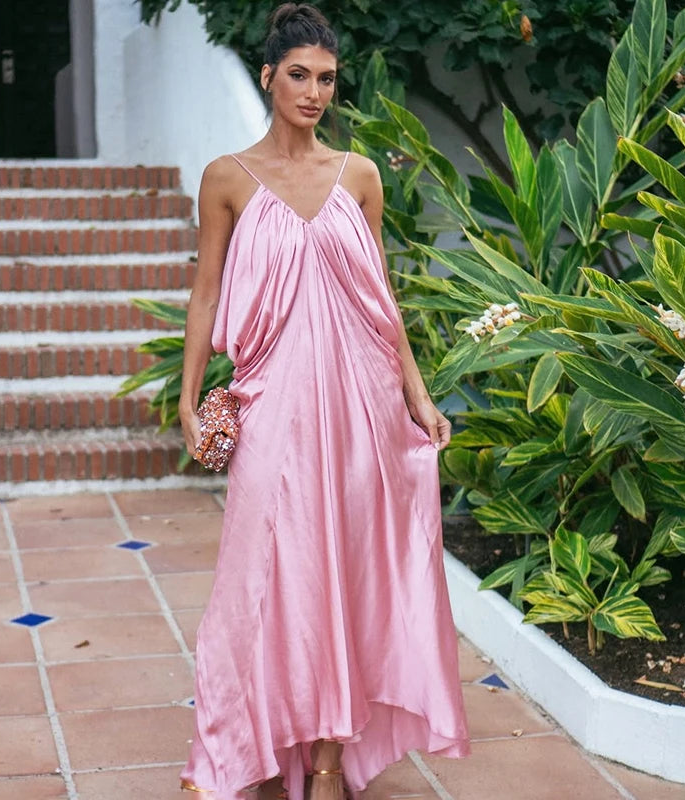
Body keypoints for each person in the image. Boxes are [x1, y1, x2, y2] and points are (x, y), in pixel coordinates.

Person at [177, 4, 470, 799]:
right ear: (269, 76)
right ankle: (244, 742)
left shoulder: (361, 176)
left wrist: (417, 393)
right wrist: (189, 395)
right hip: (271, 397)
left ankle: (331, 759)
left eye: (327, 79)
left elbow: (382, 301)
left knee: (344, 572)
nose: (313, 92)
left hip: (360, 405)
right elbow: (205, 296)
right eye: (298, 75)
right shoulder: (227, 178)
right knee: (259, 570)